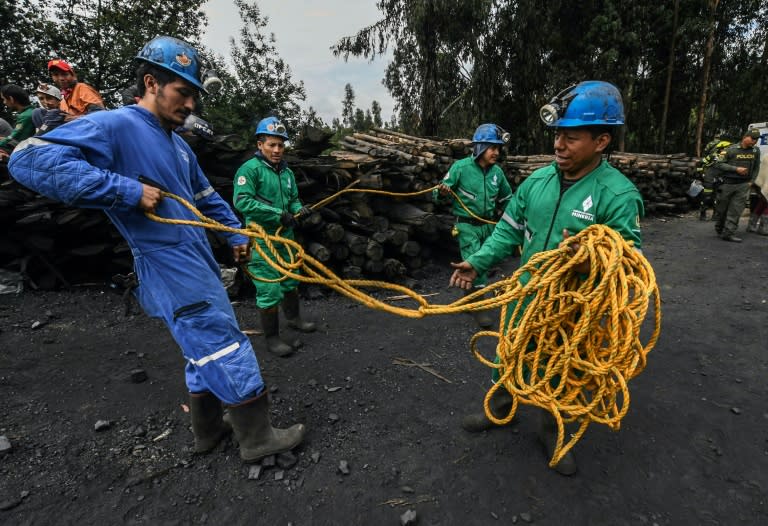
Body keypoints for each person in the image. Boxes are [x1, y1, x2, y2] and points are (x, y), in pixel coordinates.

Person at [9, 36, 305, 463]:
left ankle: (207, 430)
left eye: (193, 96)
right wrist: (125, 190)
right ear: (151, 82)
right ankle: (257, 437)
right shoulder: (115, 125)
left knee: (199, 345)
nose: (190, 105)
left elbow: (205, 197)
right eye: (182, 93)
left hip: (193, 257)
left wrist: (236, 235)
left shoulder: (178, 144)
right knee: (224, 341)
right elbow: (28, 159)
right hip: (166, 263)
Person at [449, 81, 643, 475]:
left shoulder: (618, 195)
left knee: (561, 369)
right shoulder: (536, 183)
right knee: (509, 353)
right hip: (525, 295)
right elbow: (507, 230)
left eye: (571, 138)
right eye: (557, 135)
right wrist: (478, 262)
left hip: (571, 309)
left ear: (602, 140)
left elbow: (629, 262)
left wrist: (591, 263)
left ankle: (553, 432)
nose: (558, 145)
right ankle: (500, 408)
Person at [233, 117, 316, 357]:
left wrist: (299, 209)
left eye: (281, 145)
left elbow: (292, 199)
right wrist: (278, 214)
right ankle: (271, 338)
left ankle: (294, 319)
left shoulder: (287, 173)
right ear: (260, 144)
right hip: (260, 238)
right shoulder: (249, 170)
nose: (277, 150)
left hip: (285, 236)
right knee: (269, 287)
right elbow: (242, 201)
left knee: (291, 278)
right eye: (272, 145)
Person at [433, 123, 513, 328]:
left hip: (488, 226)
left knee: (484, 262)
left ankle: (470, 296)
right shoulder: (460, 168)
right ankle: (479, 307)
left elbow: (507, 199)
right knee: (476, 263)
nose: (496, 152)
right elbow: (438, 196)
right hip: (466, 226)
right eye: (492, 148)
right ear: (479, 147)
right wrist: (441, 192)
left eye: (498, 148)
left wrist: (512, 215)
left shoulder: (498, 173)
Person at [711, 128, 761, 242]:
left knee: (736, 210)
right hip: (727, 184)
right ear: (745, 137)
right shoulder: (730, 150)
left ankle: (728, 233)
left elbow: (757, 167)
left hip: (743, 185)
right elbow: (718, 164)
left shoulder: (755, 151)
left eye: (757, 139)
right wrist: (736, 169)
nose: (755, 141)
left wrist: (751, 181)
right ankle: (720, 228)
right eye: (753, 138)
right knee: (722, 209)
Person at [697, 137, 731, 221]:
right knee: (707, 197)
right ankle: (703, 214)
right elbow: (701, 163)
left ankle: (714, 215)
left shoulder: (726, 157)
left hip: (718, 179)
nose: (728, 149)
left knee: (717, 197)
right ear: (721, 148)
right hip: (710, 178)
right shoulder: (713, 156)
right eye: (726, 148)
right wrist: (702, 173)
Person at [0, 84, 36, 161]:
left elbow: (13, 138)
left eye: (4, 99)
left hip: (26, 151)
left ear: (11, 99)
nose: (4, 102)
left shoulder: (25, 116)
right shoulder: (30, 111)